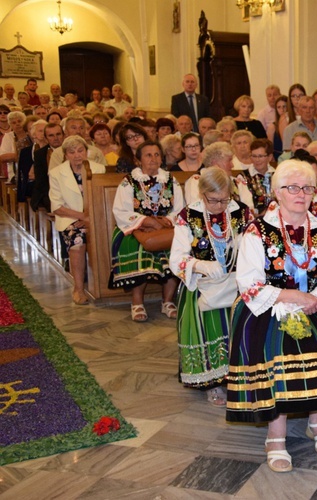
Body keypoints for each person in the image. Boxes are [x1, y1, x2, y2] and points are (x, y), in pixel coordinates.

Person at [227, 159, 317, 473]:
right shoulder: (257, 231)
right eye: (291, 187)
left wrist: (315, 299)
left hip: (314, 304)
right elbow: (249, 283)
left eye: (307, 187)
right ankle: (276, 434)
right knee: (278, 351)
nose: (300, 193)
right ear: (276, 193)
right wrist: (293, 297)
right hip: (269, 307)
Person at [170, 167, 252, 406]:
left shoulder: (241, 212)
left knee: (237, 333)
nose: (219, 205)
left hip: (236, 284)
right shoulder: (188, 216)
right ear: (202, 193)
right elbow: (176, 259)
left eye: (224, 199)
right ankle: (212, 383)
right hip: (202, 287)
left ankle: (237, 378)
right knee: (211, 331)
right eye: (213, 200)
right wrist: (198, 264)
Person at [109, 141, 185, 322]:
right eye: (148, 155)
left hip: (166, 227)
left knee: (177, 250)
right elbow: (121, 211)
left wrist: (166, 221)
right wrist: (147, 221)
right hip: (136, 229)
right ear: (139, 160)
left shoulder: (171, 180)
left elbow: (181, 210)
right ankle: (137, 303)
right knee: (138, 249)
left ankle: (167, 302)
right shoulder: (129, 182)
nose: (153, 159)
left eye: (157, 154)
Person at [49, 136, 106, 305]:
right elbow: (57, 206)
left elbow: (103, 198)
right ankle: (79, 288)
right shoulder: (56, 173)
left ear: (87, 151)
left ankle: (105, 286)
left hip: (97, 216)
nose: (77, 155)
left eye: (80, 150)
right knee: (78, 240)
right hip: (70, 218)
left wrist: (90, 217)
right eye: (71, 152)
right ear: (66, 155)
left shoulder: (99, 169)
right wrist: (82, 217)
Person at [183, 142, 254, 208]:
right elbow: (195, 208)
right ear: (215, 163)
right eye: (229, 160)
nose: (232, 165)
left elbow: (249, 207)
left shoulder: (237, 182)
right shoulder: (196, 181)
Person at [30, 123, 65, 212]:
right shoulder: (40, 154)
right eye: (51, 135)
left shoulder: (71, 150)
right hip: (48, 190)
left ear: (63, 135)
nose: (55, 138)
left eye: (58, 134)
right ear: (46, 138)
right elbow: (41, 180)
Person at [245, 138, 275, 216]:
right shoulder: (244, 177)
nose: (257, 160)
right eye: (254, 156)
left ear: (270, 157)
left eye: (261, 156)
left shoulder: (277, 175)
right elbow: (245, 204)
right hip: (254, 218)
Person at [268, 95, 288, 160]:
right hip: (278, 157)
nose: (282, 110)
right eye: (279, 107)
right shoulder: (272, 126)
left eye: (284, 106)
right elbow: (270, 147)